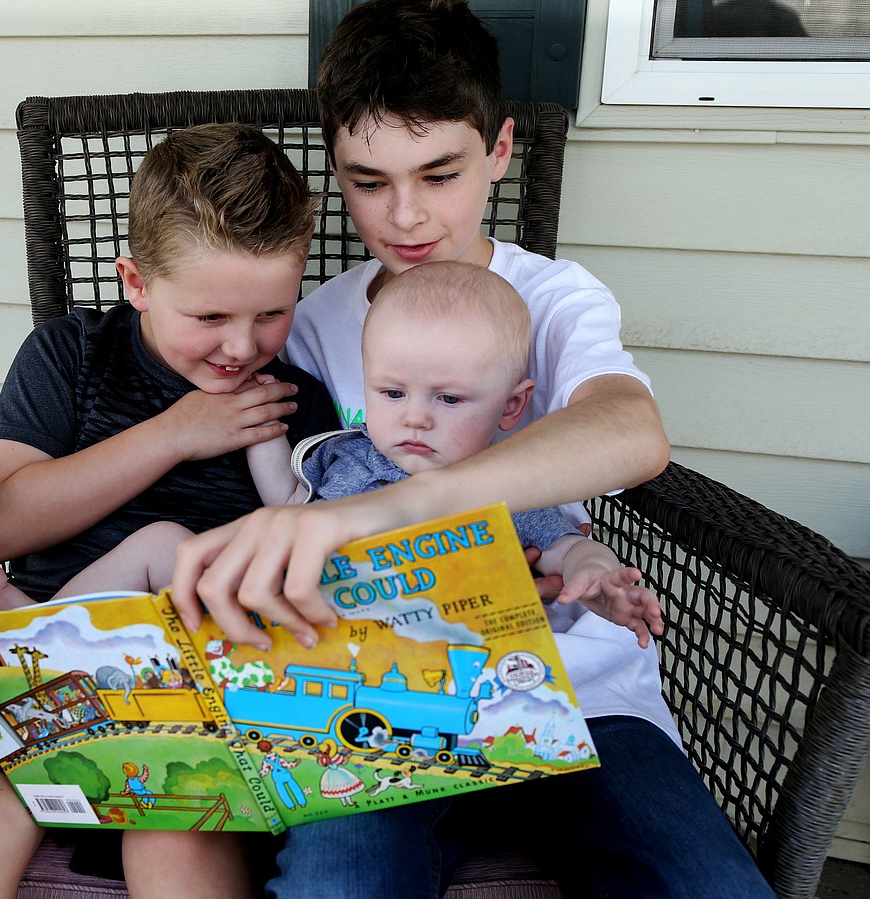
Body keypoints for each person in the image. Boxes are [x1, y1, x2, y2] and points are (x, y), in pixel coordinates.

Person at [168, 2, 776, 897]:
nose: (405, 215)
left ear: (499, 149)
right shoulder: (314, 323)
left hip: (578, 695)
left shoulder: (554, 299)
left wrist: (404, 504)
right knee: (341, 880)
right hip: (375, 699)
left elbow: (632, 431)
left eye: (439, 172)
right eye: (369, 180)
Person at [0, 122, 340, 899]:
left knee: (179, 834)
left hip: (204, 706)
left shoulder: (294, 402)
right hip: (40, 679)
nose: (242, 346)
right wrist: (175, 433)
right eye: (209, 317)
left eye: (271, 314)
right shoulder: (70, 355)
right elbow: (5, 522)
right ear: (135, 282)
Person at [0, 263, 663, 651]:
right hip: (287, 620)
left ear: (511, 409)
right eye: (391, 392)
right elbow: (287, 502)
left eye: (449, 400)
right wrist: (257, 420)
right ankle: (37, 629)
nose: (415, 416)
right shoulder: (342, 452)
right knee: (164, 542)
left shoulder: (508, 485)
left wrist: (601, 576)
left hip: (379, 657)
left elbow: (568, 548)